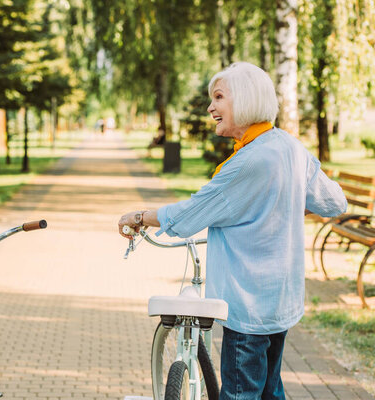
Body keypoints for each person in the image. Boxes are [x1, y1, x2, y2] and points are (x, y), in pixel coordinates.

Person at [118, 62, 347, 400]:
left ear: (245, 99)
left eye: (219, 97)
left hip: (249, 303)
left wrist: (138, 216)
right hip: (279, 301)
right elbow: (335, 201)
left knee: (240, 394)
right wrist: (283, 206)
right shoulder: (289, 147)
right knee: (270, 391)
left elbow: (193, 212)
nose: (211, 107)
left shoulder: (248, 161)